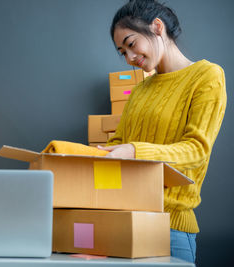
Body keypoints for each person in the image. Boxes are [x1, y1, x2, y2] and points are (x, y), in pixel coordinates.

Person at [99, 0, 226, 263]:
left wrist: (135, 151)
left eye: (131, 44)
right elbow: (119, 143)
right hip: (123, 221)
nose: (130, 58)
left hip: (170, 228)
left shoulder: (207, 76)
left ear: (157, 27)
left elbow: (197, 150)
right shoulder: (139, 90)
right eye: (122, 52)